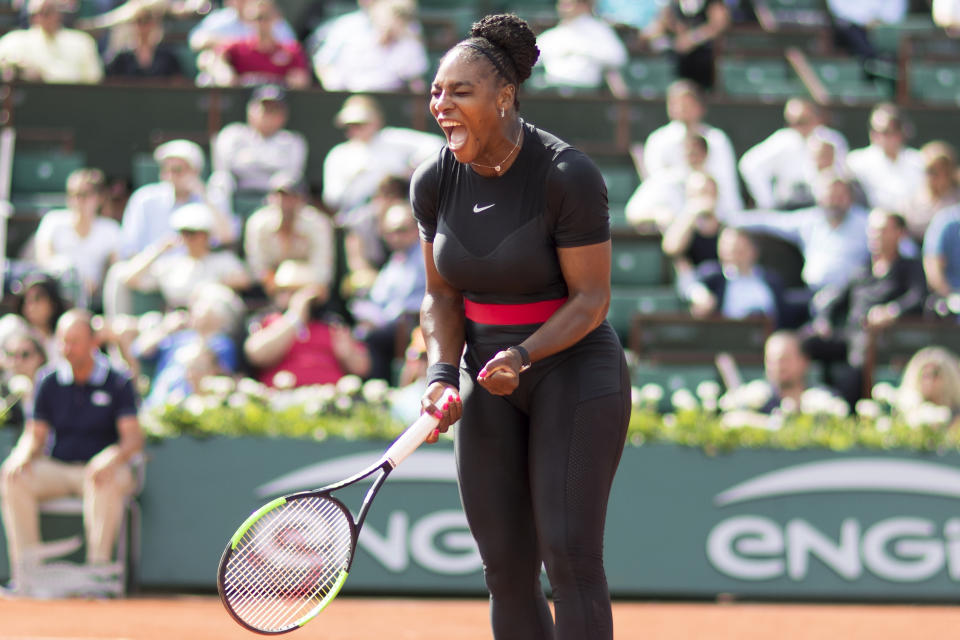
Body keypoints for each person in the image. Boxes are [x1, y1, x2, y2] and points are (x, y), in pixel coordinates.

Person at [413, 14, 630, 639]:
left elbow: (592, 300)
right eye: (435, 91)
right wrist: (438, 374)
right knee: (505, 568)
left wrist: (524, 357)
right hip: (484, 371)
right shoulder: (432, 180)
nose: (441, 104)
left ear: (504, 95)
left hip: (572, 366)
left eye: (460, 91)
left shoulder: (567, 175)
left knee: (571, 560)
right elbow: (439, 297)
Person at [0, 310, 143, 597]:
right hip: (59, 468)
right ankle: (28, 576)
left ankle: (96, 578)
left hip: (103, 470)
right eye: (63, 341)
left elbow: (133, 439)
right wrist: (21, 455)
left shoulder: (118, 381)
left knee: (105, 477)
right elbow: (35, 434)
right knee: (12, 476)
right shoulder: (48, 379)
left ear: (93, 342)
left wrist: (110, 457)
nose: (67, 349)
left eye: (74, 342)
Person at [801, 209, 926, 406]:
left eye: (883, 230)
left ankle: (842, 405)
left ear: (899, 233)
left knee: (860, 356)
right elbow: (835, 300)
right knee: (804, 342)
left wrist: (891, 312)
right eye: (873, 230)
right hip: (850, 336)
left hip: (883, 341)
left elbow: (918, 298)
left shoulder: (910, 267)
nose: (876, 236)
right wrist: (823, 322)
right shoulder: (862, 270)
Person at [731, 172, 870, 295]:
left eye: (840, 196)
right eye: (831, 196)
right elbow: (771, 221)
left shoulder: (866, 223)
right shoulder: (810, 221)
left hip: (850, 297)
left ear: (850, 197)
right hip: (813, 294)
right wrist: (731, 219)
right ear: (820, 198)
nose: (835, 202)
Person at [244, 260, 371, 387]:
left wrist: (347, 354)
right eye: (284, 291)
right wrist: (294, 318)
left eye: (298, 291)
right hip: (282, 395)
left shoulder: (333, 324)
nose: (291, 297)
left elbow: (362, 368)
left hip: (331, 397)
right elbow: (256, 355)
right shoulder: (266, 321)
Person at [321, 93, 443, 216]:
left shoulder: (391, 138)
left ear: (376, 121)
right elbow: (331, 199)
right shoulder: (338, 154)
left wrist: (411, 167)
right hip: (357, 216)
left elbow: (436, 145)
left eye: (361, 124)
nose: (355, 129)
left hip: (397, 210)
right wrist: (352, 178)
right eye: (351, 125)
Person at [118, 203, 251, 310]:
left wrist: (211, 286)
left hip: (215, 323)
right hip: (177, 323)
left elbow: (244, 280)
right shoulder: (171, 264)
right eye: (184, 233)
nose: (189, 238)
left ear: (206, 235)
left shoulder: (223, 259)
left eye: (194, 233)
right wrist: (158, 249)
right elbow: (129, 278)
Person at [131, 282, 244, 408]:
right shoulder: (180, 337)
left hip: (189, 409)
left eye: (201, 304)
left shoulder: (222, 344)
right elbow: (138, 350)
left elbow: (218, 379)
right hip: (156, 406)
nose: (193, 308)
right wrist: (164, 329)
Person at [641, 80, 742, 218]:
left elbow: (727, 185)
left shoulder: (717, 139)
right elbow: (655, 184)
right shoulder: (658, 140)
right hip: (673, 219)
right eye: (677, 104)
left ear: (700, 107)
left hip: (715, 216)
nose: (682, 109)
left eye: (688, 104)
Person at [349, 203, 426, 382]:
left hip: (413, 324)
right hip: (387, 322)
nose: (395, 238)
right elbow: (378, 298)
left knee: (374, 338)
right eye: (390, 233)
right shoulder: (396, 260)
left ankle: (379, 389)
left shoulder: (425, 257)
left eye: (401, 230)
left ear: (416, 229)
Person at [738, 98, 849, 210]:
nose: (796, 127)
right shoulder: (783, 139)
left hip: (825, 209)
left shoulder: (832, 139)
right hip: (789, 209)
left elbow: (842, 176)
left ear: (816, 118)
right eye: (792, 123)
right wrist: (768, 204)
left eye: (802, 121)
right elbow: (749, 164)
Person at [33, 169, 121, 307]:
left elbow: (116, 266)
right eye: (72, 194)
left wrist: (97, 284)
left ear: (99, 198)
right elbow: (44, 259)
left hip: (94, 299)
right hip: (56, 297)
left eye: (84, 194)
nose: (77, 200)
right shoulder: (52, 221)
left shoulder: (110, 229)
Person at [243, 172, 334, 296]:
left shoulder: (319, 224)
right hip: (268, 292)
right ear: (270, 199)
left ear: (302, 199)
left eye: (291, 196)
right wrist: (276, 285)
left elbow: (322, 272)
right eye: (279, 196)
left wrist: (291, 284)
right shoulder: (257, 223)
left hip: (309, 290)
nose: (284, 202)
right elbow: (257, 268)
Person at [211, 85, 308, 198]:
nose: (268, 115)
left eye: (274, 110)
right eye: (264, 109)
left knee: (288, 186)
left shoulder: (292, 141)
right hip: (237, 192)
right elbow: (225, 167)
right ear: (250, 111)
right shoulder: (233, 134)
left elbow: (291, 176)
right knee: (220, 180)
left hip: (273, 197)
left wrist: (250, 161)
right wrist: (268, 164)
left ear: (283, 116)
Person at [312, 0, 427, 93]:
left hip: (391, 100)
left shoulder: (410, 42)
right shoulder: (349, 30)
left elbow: (415, 80)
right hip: (350, 96)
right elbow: (323, 63)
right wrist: (335, 88)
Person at [682, 227, 785, 325]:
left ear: (753, 250)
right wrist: (698, 294)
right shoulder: (713, 276)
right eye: (729, 249)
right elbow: (688, 282)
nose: (733, 254)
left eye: (739, 250)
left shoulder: (771, 279)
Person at [534, 0, 629, 98]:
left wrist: (584, 51)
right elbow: (532, 57)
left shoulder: (599, 30)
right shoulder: (553, 34)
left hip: (587, 92)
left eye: (569, 4)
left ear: (583, 5)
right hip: (552, 91)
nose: (564, 8)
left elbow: (618, 58)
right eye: (562, 3)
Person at [206, 0, 311, 88]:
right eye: (256, 19)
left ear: (276, 19)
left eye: (265, 18)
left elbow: (301, 79)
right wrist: (223, 72)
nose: (260, 24)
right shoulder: (237, 49)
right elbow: (211, 59)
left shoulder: (291, 50)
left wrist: (298, 81)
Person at [845, 103, 924, 215]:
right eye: (873, 130)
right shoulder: (855, 161)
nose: (875, 135)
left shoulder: (919, 161)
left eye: (885, 131)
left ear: (901, 133)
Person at [0, 0, 103, 84]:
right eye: (35, 13)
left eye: (47, 12)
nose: (40, 18)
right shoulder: (14, 41)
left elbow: (94, 79)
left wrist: (44, 77)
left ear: (59, 13)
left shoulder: (82, 42)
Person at [641, 0, 731, 91]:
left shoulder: (711, 3)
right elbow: (657, 27)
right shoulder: (672, 6)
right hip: (679, 63)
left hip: (705, 62)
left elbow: (720, 23)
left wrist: (693, 38)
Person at [103, 2, 185, 79]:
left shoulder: (167, 57)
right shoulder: (122, 58)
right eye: (139, 21)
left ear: (153, 23)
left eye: (147, 20)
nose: (143, 26)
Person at [902, 140, 960, 244]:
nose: (931, 177)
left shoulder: (956, 198)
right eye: (928, 171)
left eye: (936, 171)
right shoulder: (911, 201)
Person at [895, 346, 960, 425]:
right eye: (924, 375)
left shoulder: (956, 416)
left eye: (935, 374)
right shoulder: (909, 416)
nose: (928, 381)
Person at [14, 274, 69, 361]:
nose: (30, 307)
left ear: (52, 302)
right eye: (26, 301)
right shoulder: (15, 330)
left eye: (37, 299)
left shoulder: (63, 338)